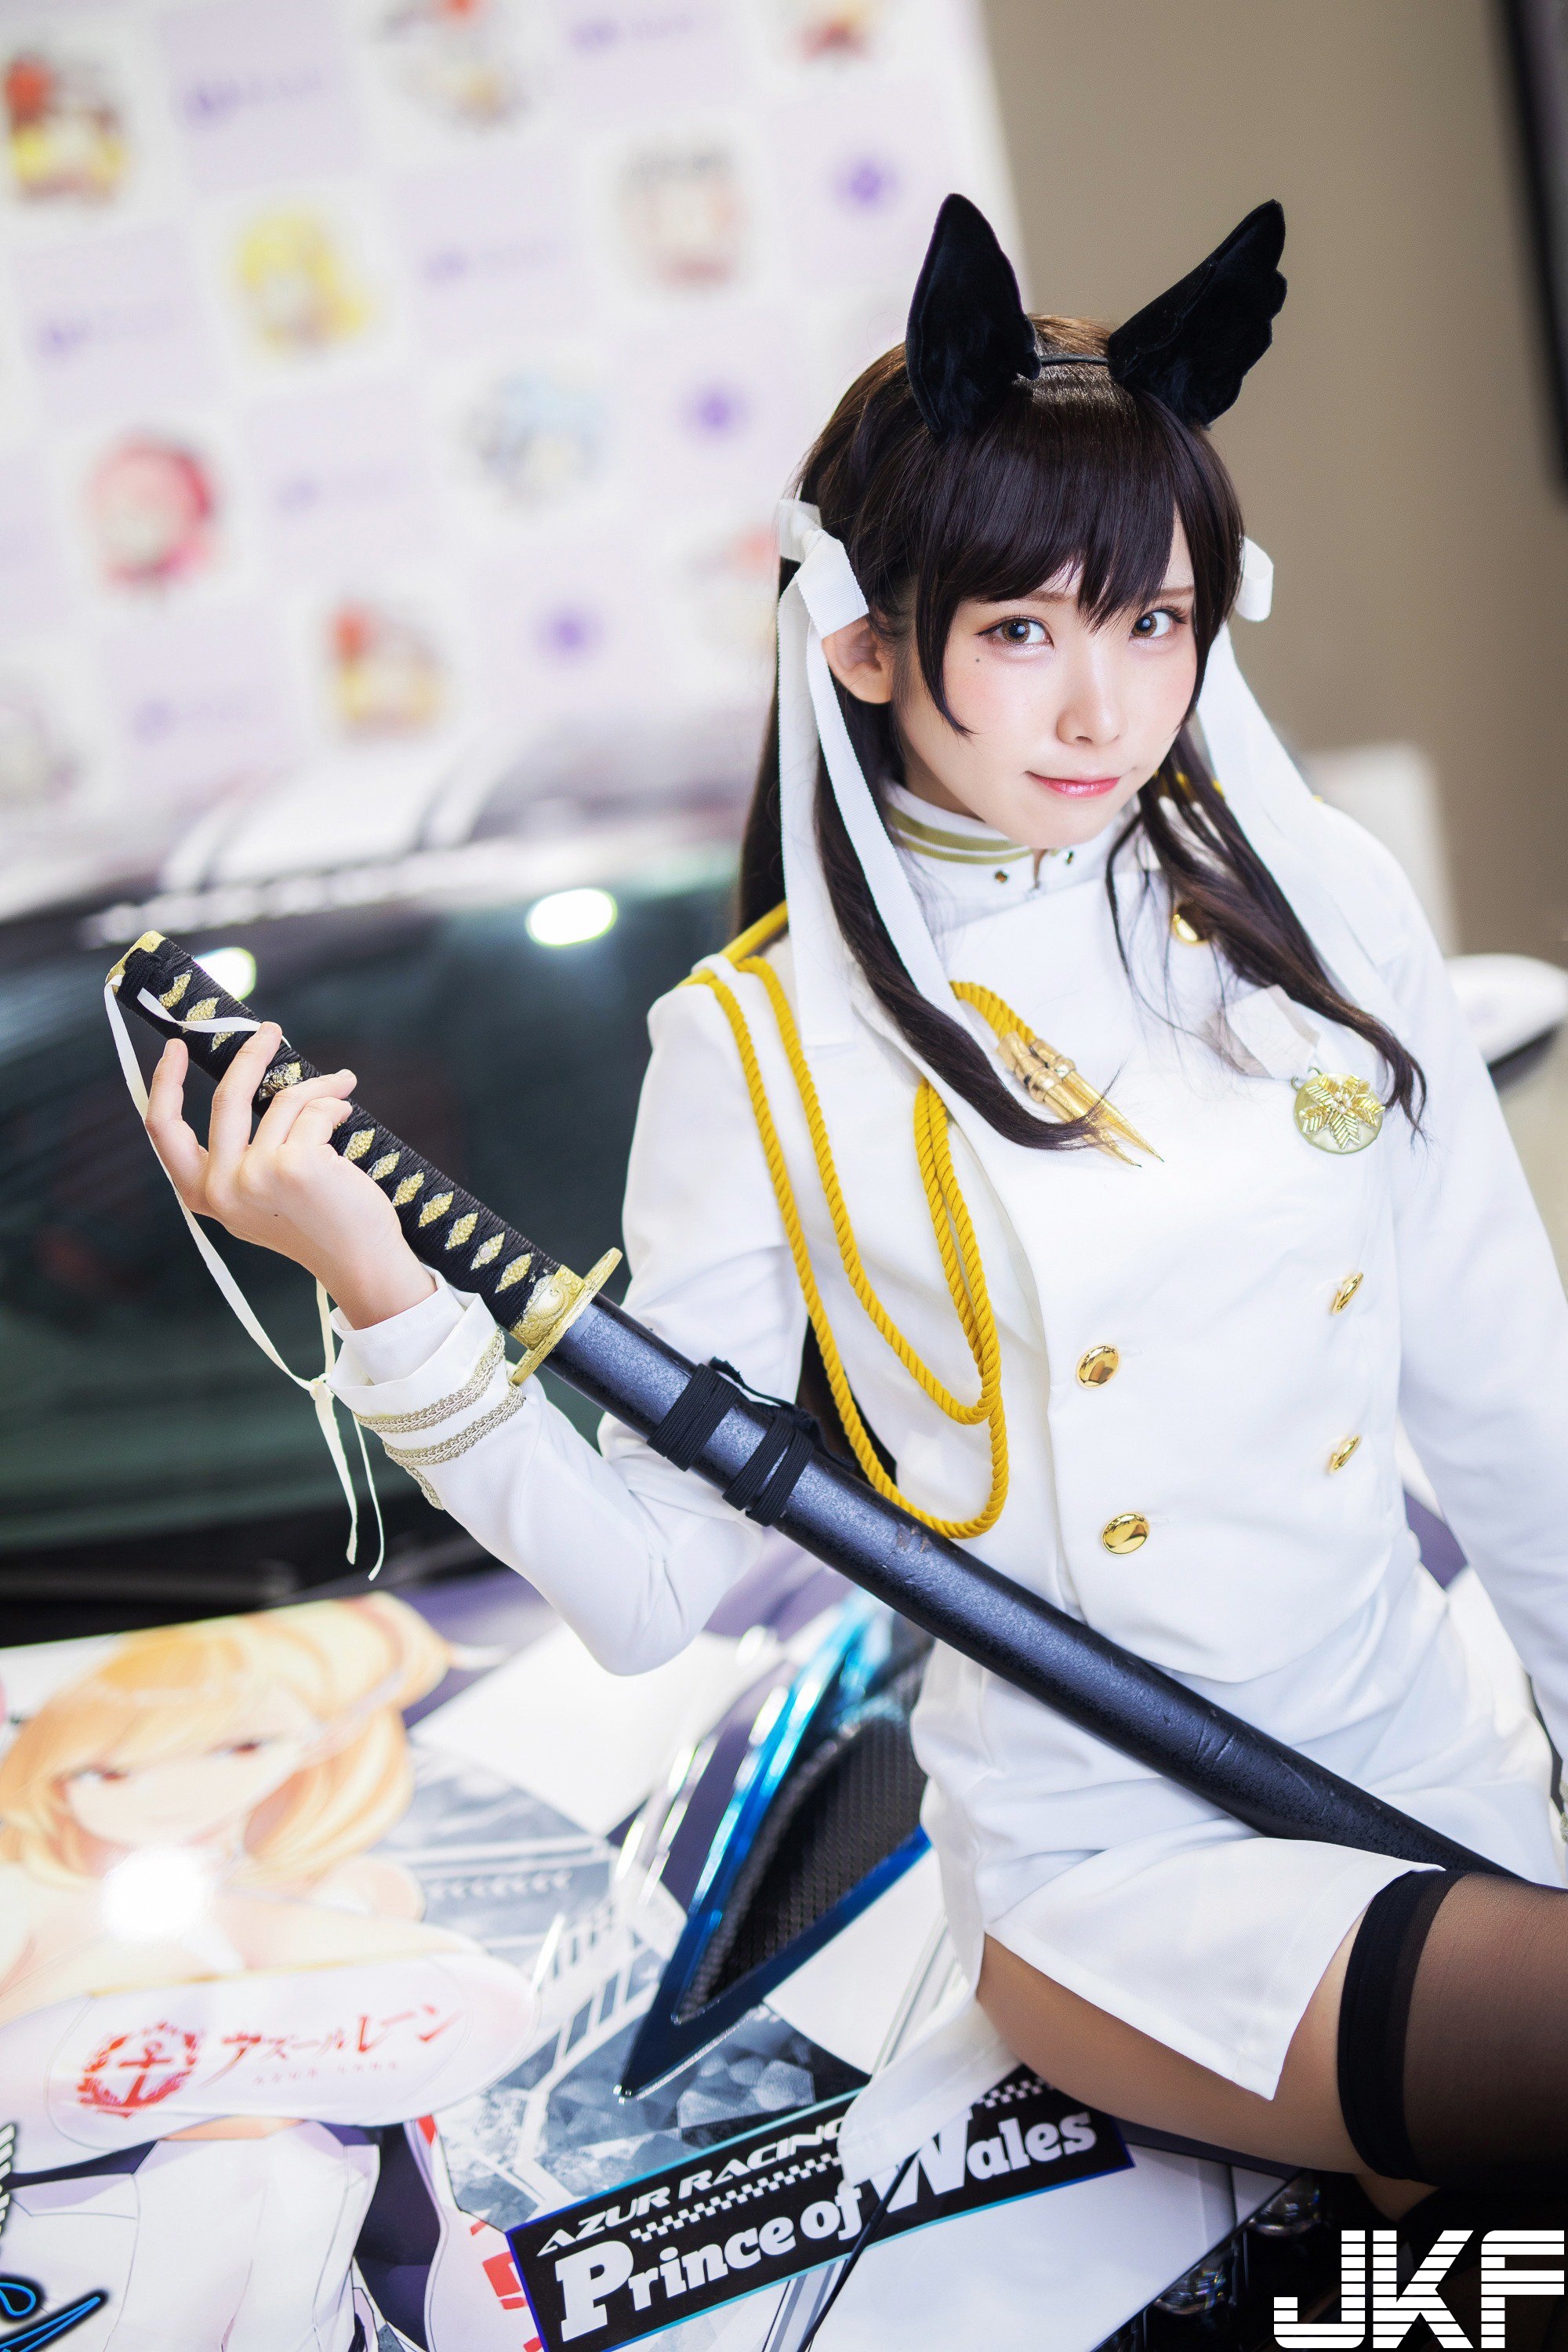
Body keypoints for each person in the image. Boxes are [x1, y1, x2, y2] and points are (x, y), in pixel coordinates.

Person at [143, 194, 1568, 2230]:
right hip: (1132, 1868)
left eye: (1152, 621)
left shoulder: (1309, 905)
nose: (1102, 708)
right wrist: (378, 1286)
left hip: (1435, 1756)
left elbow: (1510, 1397)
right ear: (868, 639)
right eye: (1024, 633)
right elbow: (656, 1591)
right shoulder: (760, 1052)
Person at [0, 1595, 537, 2349]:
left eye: (239, 1748)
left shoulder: (352, 1892)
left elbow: (476, 2013)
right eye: (110, 1770)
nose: (175, 1792)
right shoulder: (27, 1899)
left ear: (318, 1739)